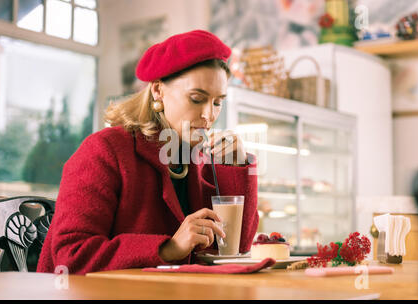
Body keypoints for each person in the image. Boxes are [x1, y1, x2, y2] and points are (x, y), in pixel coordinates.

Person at [37, 30, 259, 275]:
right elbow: (70, 257)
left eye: (217, 103)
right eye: (197, 98)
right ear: (157, 91)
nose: (209, 115)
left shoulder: (197, 157)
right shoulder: (104, 150)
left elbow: (236, 246)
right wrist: (168, 248)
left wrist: (236, 168)